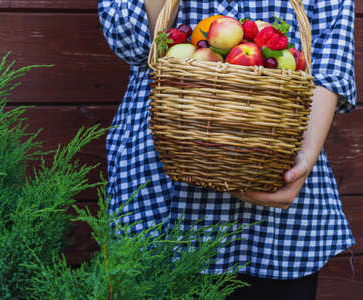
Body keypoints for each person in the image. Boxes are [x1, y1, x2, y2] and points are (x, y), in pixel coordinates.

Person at [98, 0, 356, 299]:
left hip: (275, 213)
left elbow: (330, 64)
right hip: (162, 189)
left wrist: (302, 162)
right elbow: (132, 43)